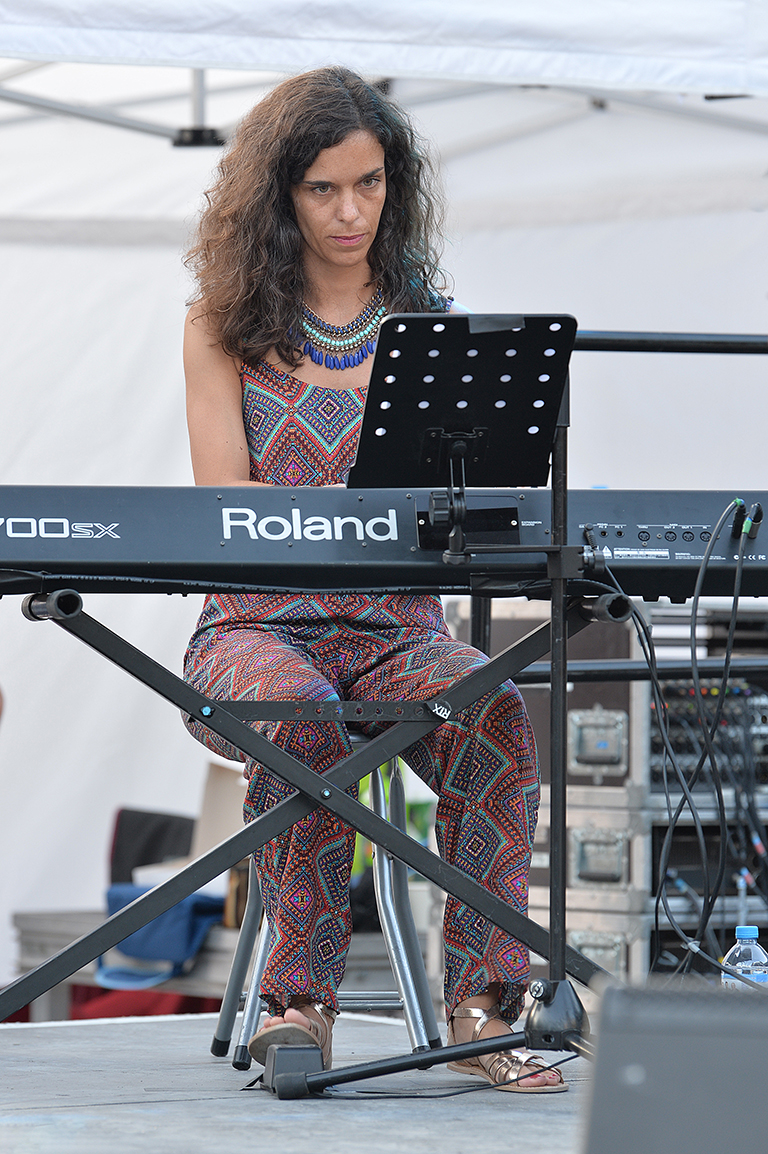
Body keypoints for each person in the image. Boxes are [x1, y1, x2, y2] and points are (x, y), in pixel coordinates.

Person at [182, 66, 565, 1093]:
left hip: (397, 637)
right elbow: (223, 505)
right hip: (257, 631)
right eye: (323, 189)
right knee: (297, 714)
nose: (351, 212)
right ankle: (299, 1005)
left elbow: (473, 501)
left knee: (492, 710)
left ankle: (484, 1007)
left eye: (370, 183)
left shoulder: (434, 320)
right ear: (279, 195)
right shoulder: (222, 324)